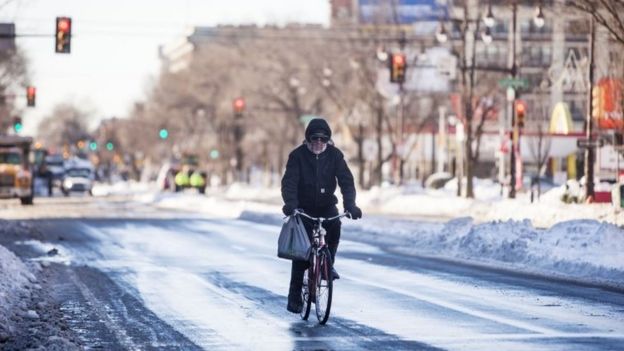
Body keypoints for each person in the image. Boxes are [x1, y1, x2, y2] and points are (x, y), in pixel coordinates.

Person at [281, 118, 362, 314]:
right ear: (308, 139)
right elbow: (289, 183)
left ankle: (328, 264)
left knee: (334, 226)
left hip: (327, 206)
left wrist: (350, 205)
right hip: (303, 208)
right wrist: (291, 205)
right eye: (314, 139)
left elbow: (346, 182)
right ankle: (294, 298)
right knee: (301, 254)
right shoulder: (297, 156)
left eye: (323, 140)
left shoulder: (335, 156)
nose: (318, 143)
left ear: (328, 141)